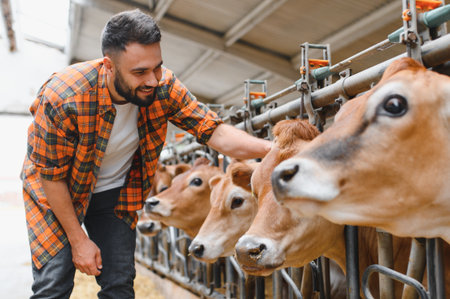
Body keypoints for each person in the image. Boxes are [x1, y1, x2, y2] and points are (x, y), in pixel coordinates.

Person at [21, 8, 271, 299]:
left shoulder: (163, 87)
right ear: (109, 66)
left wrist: (272, 149)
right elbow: (51, 177)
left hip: (115, 193)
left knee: (119, 283)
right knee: (54, 284)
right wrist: (79, 241)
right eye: (139, 72)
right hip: (56, 192)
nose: (152, 80)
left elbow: (213, 131)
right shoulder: (63, 97)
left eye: (157, 67)